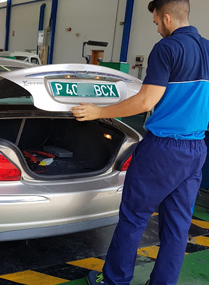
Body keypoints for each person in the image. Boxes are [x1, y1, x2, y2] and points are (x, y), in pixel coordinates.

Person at [71, 0, 209, 284]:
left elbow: (146, 100)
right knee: (177, 227)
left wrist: (99, 112)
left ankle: (114, 280)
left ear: (167, 17)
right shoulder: (207, 48)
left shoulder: (167, 48)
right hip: (196, 149)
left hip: (163, 150)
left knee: (134, 218)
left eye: (156, 22)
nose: (157, 28)